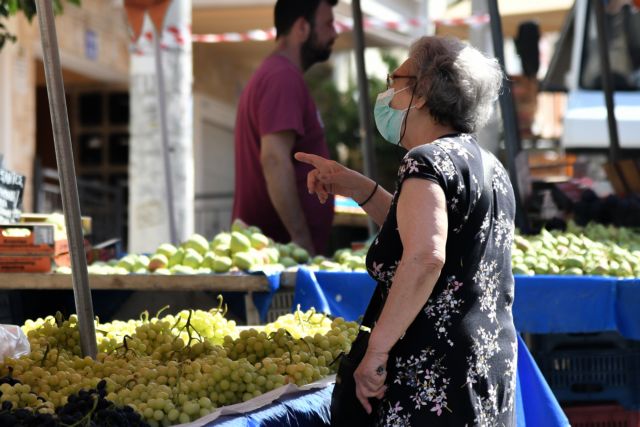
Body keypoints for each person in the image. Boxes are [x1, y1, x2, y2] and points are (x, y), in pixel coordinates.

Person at [296, 36, 517, 425]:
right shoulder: (488, 165)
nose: (388, 89)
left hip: (434, 370)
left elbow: (426, 255)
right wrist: (360, 188)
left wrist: (377, 351)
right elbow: (430, 234)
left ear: (423, 90)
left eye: (395, 78)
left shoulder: (425, 160)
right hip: (484, 363)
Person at [231, 0, 338, 255]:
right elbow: (274, 159)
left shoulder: (278, 74)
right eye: (328, 24)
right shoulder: (282, 77)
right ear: (302, 27)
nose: (334, 33)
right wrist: (301, 240)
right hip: (280, 260)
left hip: (279, 254)